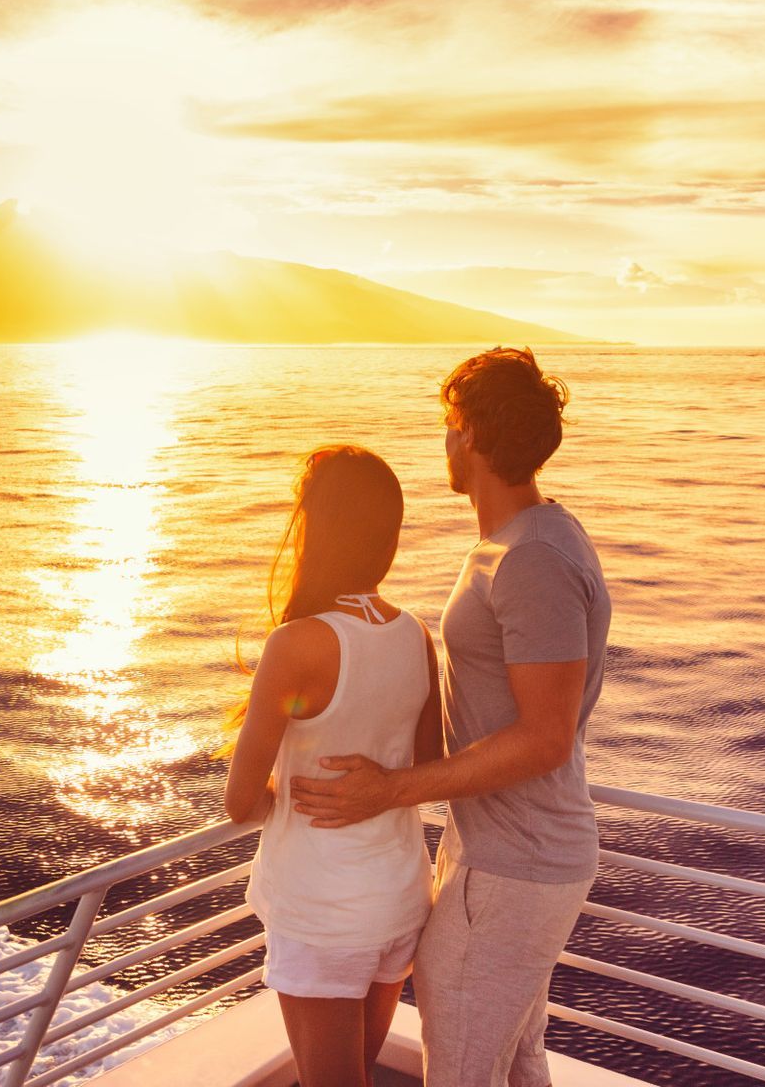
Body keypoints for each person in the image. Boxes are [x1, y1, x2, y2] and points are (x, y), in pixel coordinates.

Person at [291, 348, 611, 1087]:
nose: (444, 442)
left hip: (516, 865)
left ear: (467, 433)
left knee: (462, 1069)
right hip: (499, 852)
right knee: (518, 1062)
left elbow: (545, 736)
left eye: (447, 425)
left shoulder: (530, 558)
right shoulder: (522, 543)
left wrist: (389, 789)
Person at [222, 445, 445, 1087]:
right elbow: (425, 767)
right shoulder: (413, 635)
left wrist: (283, 794)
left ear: (314, 529)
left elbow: (240, 803)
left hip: (324, 911)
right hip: (399, 898)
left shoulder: (296, 645)